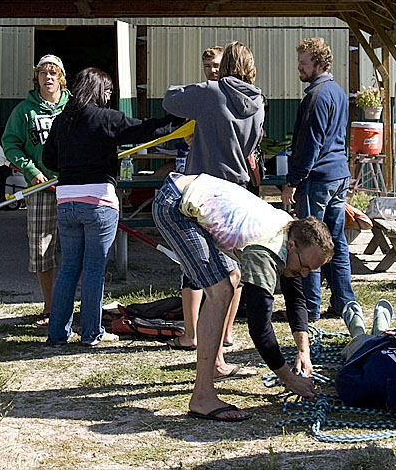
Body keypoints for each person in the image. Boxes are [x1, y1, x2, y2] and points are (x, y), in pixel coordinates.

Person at [153, 172, 333, 421]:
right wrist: (289, 379)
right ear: (292, 245)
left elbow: (296, 299)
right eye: (304, 266)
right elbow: (259, 328)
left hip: (190, 193)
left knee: (232, 278)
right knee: (221, 290)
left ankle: (215, 365)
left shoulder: (290, 232)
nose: (304, 274)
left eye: (310, 271)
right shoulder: (266, 252)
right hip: (174, 205)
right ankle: (202, 397)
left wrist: (304, 351)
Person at [42, 67, 178, 347]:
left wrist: (73, 163)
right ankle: (90, 333)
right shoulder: (106, 119)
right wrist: (178, 118)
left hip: (66, 200)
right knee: (93, 269)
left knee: (68, 268)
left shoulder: (61, 121)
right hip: (99, 200)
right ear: (98, 91)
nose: (109, 97)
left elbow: (49, 160)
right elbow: (144, 129)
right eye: (108, 92)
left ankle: (57, 334)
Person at [163, 41, 263, 351]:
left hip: (203, 190)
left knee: (195, 265)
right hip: (237, 190)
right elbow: (248, 148)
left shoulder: (212, 92)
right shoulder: (259, 101)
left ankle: (192, 334)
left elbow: (170, 100)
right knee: (233, 266)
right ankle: (225, 333)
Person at [281, 36, 356, 323]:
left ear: (320, 64)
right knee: (335, 241)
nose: (298, 68)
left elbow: (309, 145)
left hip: (318, 177)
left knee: (307, 242)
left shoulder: (316, 97)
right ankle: (344, 303)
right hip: (338, 174)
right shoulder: (337, 91)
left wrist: (293, 181)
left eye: (303, 63)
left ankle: (310, 308)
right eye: (298, 62)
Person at [1, 54, 69, 326]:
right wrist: (31, 171)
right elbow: (11, 144)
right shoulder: (24, 112)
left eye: (54, 73)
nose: (48, 77)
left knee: (77, 250)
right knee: (43, 250)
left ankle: (75, 308)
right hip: (41, 190)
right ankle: (50, 308)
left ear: (62, 78)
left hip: (73, 187)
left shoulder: (74, 107)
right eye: (43, 73)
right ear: (37, 78)